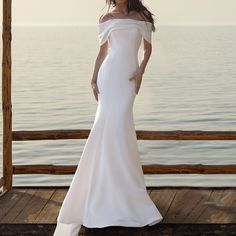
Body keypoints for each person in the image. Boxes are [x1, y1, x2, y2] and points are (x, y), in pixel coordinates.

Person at [53, 0, 163, 235]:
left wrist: (141, 71)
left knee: (121, 129)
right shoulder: (105, 19)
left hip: (128, 78)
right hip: (108, 76)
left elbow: (148, 48)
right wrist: (93, 79)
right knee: (106, 129)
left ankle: (127, 193)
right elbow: (103, 51)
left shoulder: (140, 15)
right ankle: (104, 192)